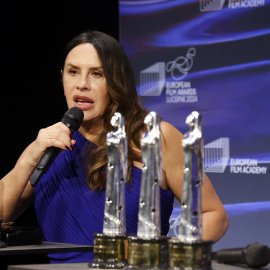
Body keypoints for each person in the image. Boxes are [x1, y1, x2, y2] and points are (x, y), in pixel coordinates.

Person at [0, 30, 229, 263]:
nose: (82, 84)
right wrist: (29, 157)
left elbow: (214, 215)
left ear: (117, 81)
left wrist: (171, 253)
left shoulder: (156, 138)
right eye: (73, 72)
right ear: (62, 77)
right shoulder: (50, 145)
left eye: (97, 74)